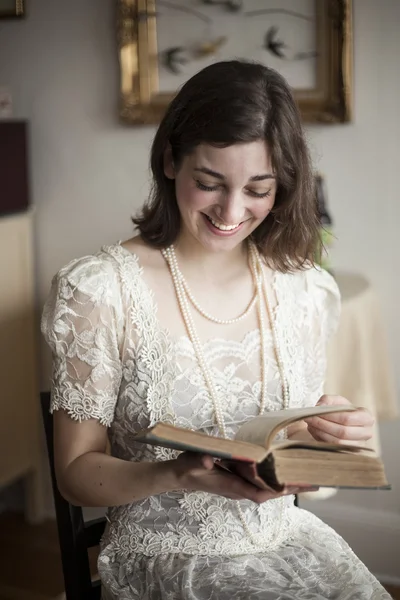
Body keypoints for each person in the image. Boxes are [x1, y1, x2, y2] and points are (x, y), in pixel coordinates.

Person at [41, 60, 391, 599]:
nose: (231, 210)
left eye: (259, 189)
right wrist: (175, 474)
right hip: (164, 558)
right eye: (209, 183)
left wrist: (331, 439)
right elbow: (75, 472)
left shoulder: (305, 289)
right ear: (170, 161)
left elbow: (296, 463)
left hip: (289, 543)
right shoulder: (99, 290)